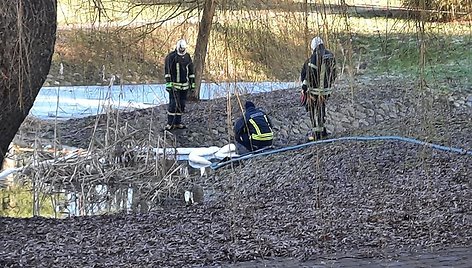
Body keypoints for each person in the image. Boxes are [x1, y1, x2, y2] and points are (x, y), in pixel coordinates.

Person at [300, 36, 337, 141]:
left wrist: (304, 87)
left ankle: (316, 132)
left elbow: (309, 74)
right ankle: (322, 130)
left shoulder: (314, 57)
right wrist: (329, 85)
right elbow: (334, 73)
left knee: (313, 109)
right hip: (326, 90)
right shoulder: (331, 55)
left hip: (315, 90)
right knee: (322, 107)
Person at [164, 39, 196, 130]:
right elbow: (167, 71)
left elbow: (191, 71)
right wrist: (169, 84)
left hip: (184, 87)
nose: (182, 50)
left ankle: (178, 122)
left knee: (181, 105)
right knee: (173, 105)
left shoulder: (187, 57)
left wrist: (192, 84)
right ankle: (170, 123)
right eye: (181, 49)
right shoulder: (171, 57)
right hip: (174, 86)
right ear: (178, 47)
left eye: (183, 49)